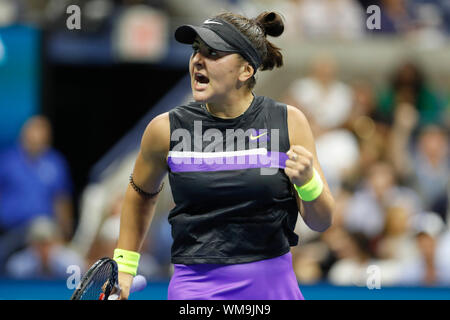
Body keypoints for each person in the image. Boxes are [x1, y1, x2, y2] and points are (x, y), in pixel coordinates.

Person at [112, 11, 334, 300]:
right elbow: (140, 193)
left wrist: (307, 182)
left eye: (213, 52)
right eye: (196, 51)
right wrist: (125, 268)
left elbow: (321, 221)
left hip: (272, 290)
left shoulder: (288, 122)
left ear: (246, 71)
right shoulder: (165, 130)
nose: (198, 60)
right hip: (195, 292)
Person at [0, 115, 74, 271]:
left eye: (43, 132)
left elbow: (62, 200)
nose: (38, 135)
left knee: (68, 263)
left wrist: (65, 234)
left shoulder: (55, 163)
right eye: (34, 130)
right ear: (24, 133)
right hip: (11, 229)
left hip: (45, 231)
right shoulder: (7, 161)